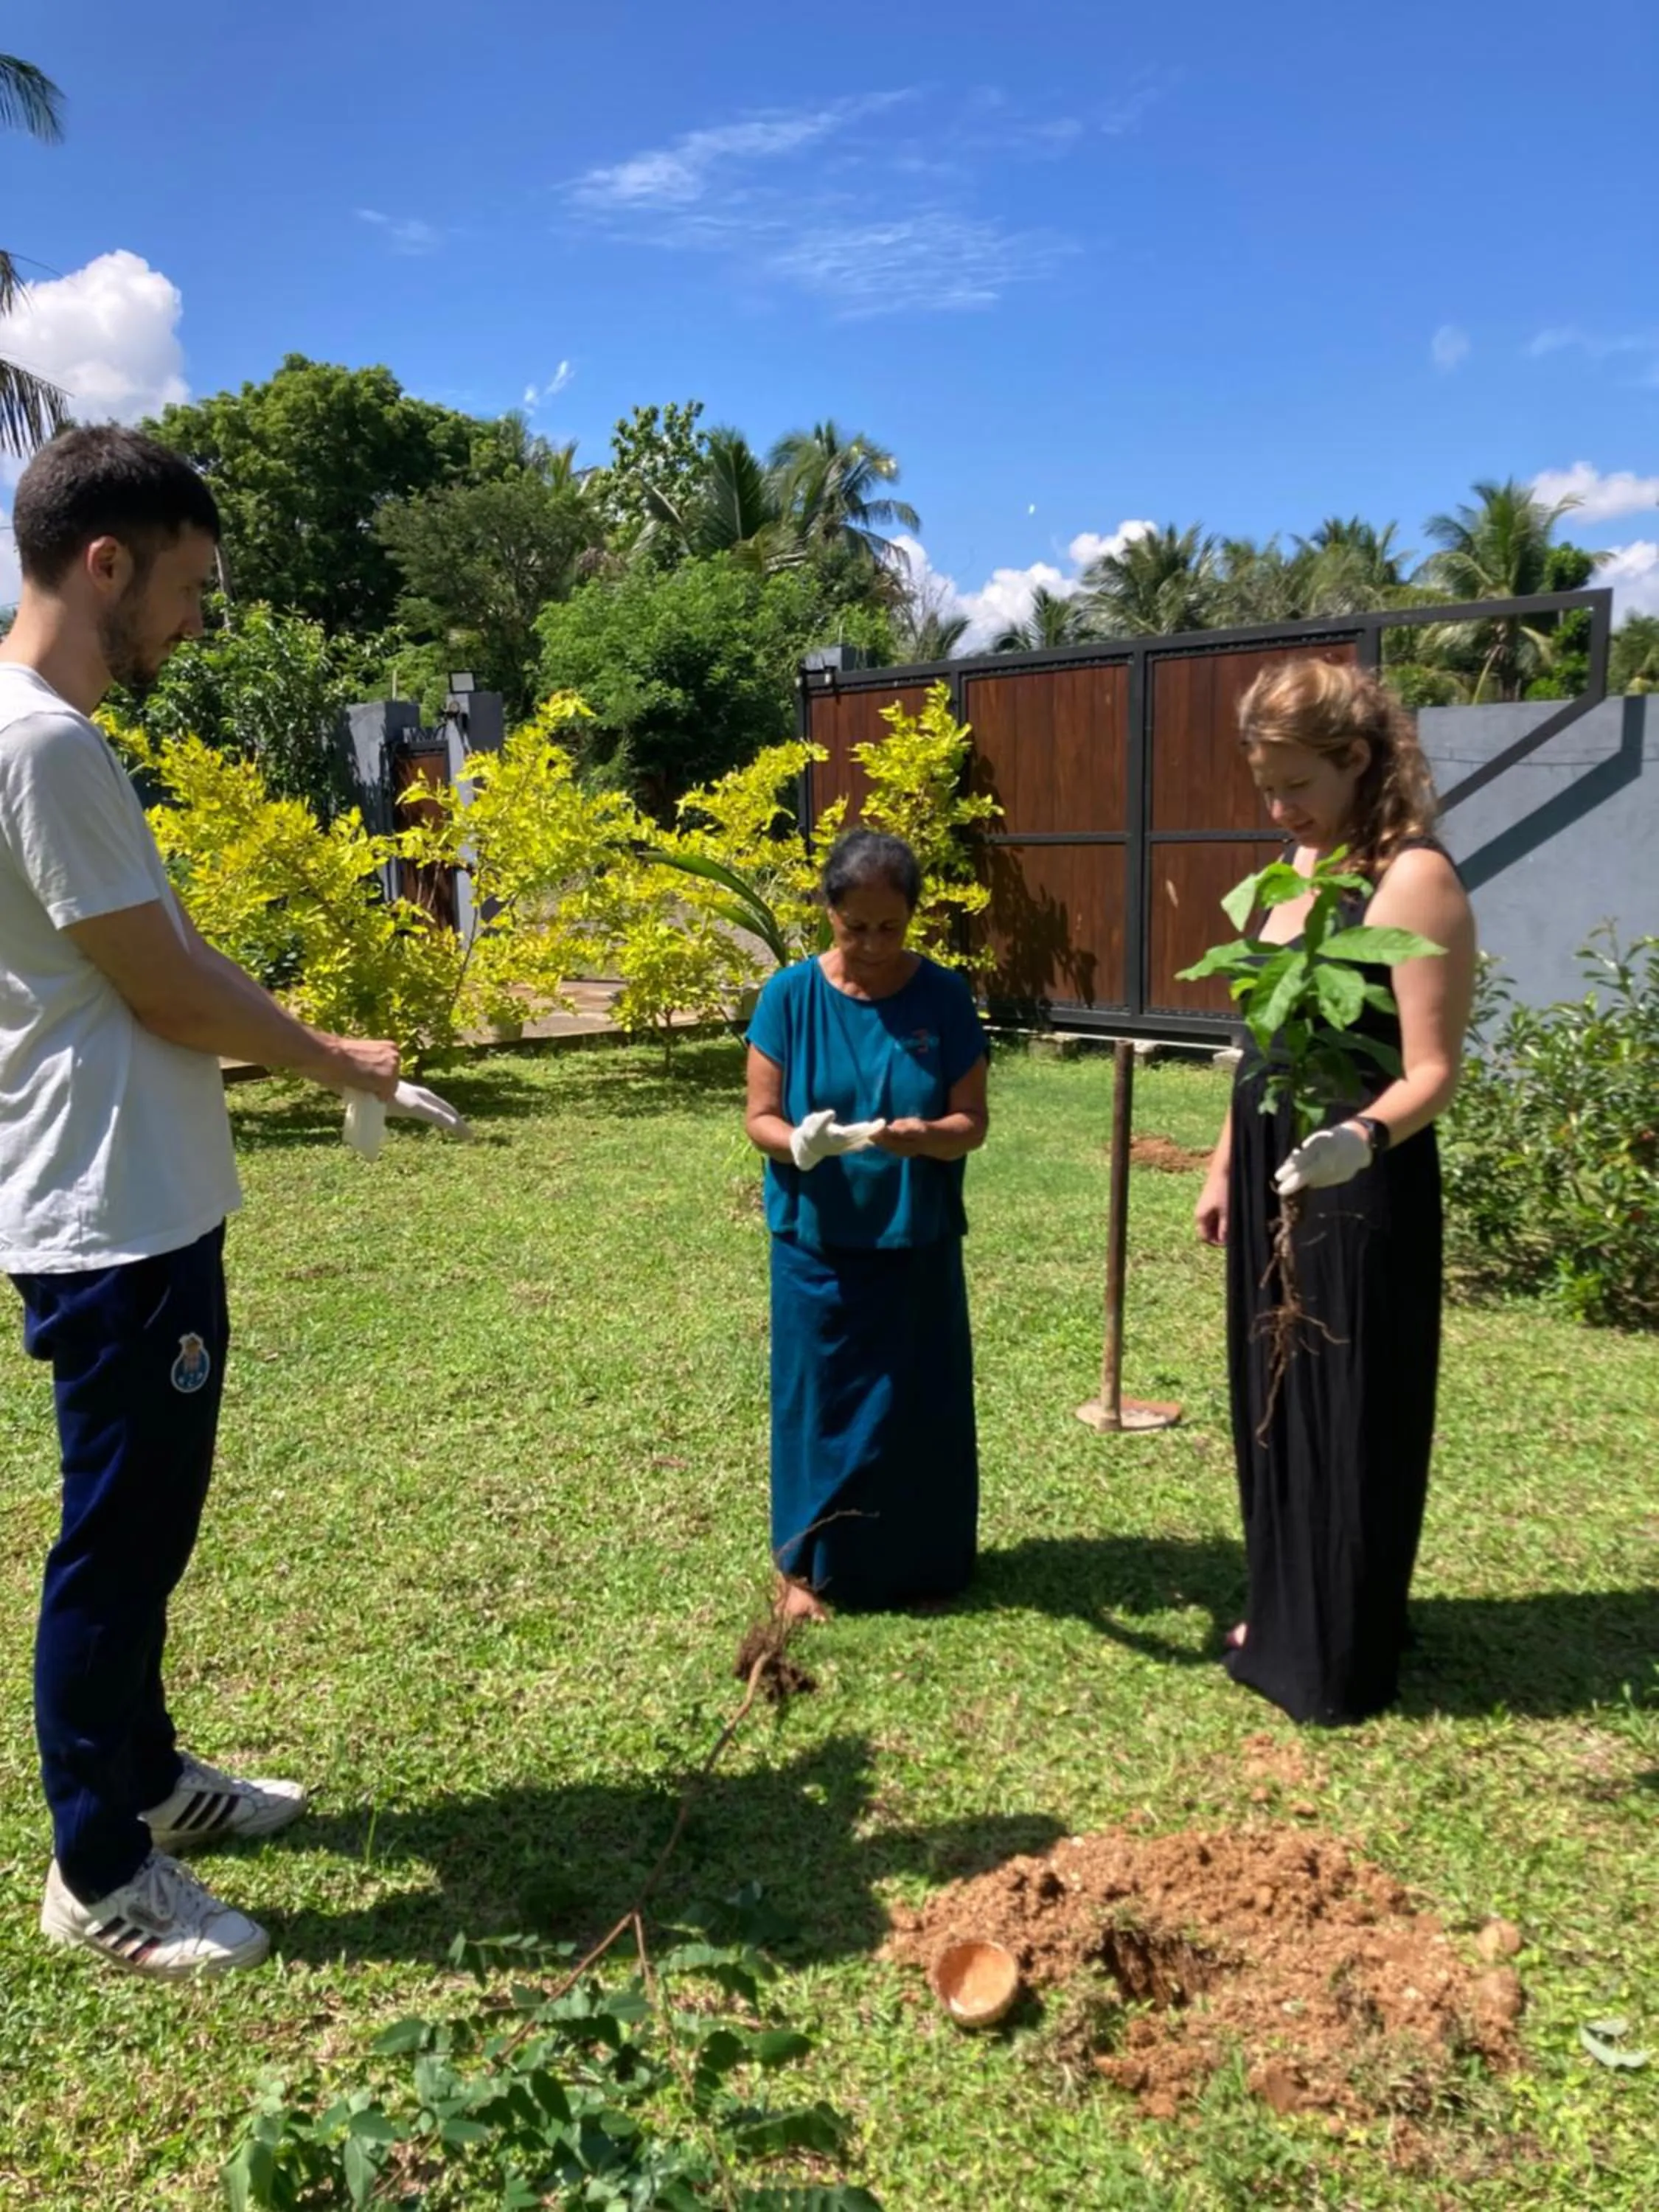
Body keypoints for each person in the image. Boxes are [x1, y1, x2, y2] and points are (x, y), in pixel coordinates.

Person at [1, 426, 403, 1978]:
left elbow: (148, 963)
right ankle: (98, 1868)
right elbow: (161, 986)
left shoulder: (37, 735)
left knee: (146, 1526)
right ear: (105, 564)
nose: (192, 622)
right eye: (187, 587)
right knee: (116, 1545)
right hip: (110, 1216)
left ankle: (149, 1779)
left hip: (125, 1198)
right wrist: (332, 1060)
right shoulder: (45, 745)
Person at [1194, 658, 1476, 1725]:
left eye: (1296, 785)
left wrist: (1360, 1138)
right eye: (1265, 787)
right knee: (1272, 1397)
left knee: (1348, 1403)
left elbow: (1432, 1070)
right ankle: (1285, 1609)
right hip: (1275, 1164)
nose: (1278, 809)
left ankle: (1336, 1644)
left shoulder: (1412, 881)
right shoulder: (1292, 866)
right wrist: (1225, 1164)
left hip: (1358, 1178)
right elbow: (1261, 1038)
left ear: (1357, 758)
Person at [745, 829, 990, 1618]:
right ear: (828, 910)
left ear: (913, 916)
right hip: (817, 1243)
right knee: (817, 1405)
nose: (875, 944)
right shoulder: (789, 997)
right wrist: (800, 1145)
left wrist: (927, 1137)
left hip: (915, 1235)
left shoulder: (943, 996)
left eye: (892, 927)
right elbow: (759, 1118)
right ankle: (804, 1571)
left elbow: (972, 1122)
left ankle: (923, 1566)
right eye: (857, 927)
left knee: (919, 1405)